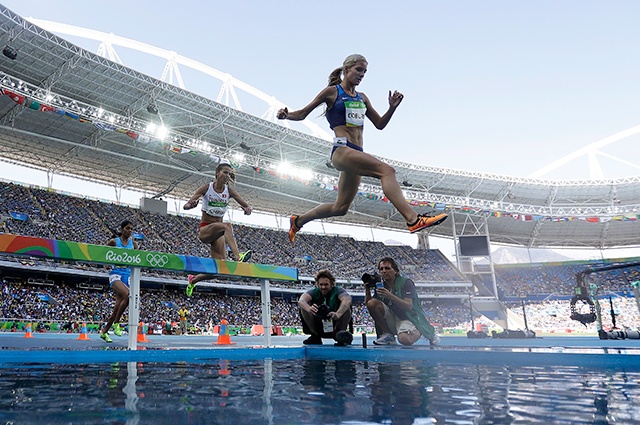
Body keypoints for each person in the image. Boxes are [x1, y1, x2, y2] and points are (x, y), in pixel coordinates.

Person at [277, 53, 447, 243]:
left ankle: (298, 221)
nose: (362, 75)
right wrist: (286, 115)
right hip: (342, 151)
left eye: (364, 72)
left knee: (340, 208)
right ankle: (413, 219)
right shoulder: (332, 92)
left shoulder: (362, 97)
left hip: (356, 153)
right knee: (387, 171)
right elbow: (302, 114)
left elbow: (380, 124)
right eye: (359, 70)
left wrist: (392, 108)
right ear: (346, 69)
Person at [183, 161, 253, 296]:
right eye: (225, 172)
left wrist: (248, 210)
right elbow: (186, 205)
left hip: (219, 234)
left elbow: (247, 207)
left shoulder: (229, 191)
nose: (227, 175)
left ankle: (193, 280)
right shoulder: (206, 188)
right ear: (217, 173)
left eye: (229, 173)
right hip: (206, 229)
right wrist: (190, 205)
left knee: (219, 270)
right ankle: (238, 257)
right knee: (227, 226)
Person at [365, 257, 440, 346]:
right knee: (372, 303)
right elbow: (370, 305)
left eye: (387, 268)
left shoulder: (406, 282)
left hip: (408, 317)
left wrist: (390, 296)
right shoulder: (381, 286)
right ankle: (388, 334)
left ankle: (420, 329)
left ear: (396, 271)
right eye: (381, 269)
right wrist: (367, 289)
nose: (384, 271)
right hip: (393, 316)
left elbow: (408, 306)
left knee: (404, 340)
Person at [100, 220, 139, 343]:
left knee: (117, 308)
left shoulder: (134, 245)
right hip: (115, 274)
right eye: (128, 228)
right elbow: (102, 253)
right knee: (129, 295)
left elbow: (138, 259)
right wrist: (105, 264)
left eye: (131, 229)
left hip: (126, 276)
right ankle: (117, 323)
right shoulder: (114, 242)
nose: (130, 231)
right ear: (122, 229)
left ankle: (104, 332)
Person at [298, 269, 352, 345]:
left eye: (326, 284)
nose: (323, 287)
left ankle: (341, 335)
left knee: (347, 309)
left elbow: (347, 300)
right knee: (304, 308)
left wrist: (337, 314)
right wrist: (309, 309)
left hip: (335, 322)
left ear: (332, 284)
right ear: (318, 284)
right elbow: (301, 301)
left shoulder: (338, 290)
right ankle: (315, 335)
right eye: (321, 284)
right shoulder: (315, 292)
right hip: (319, 323)